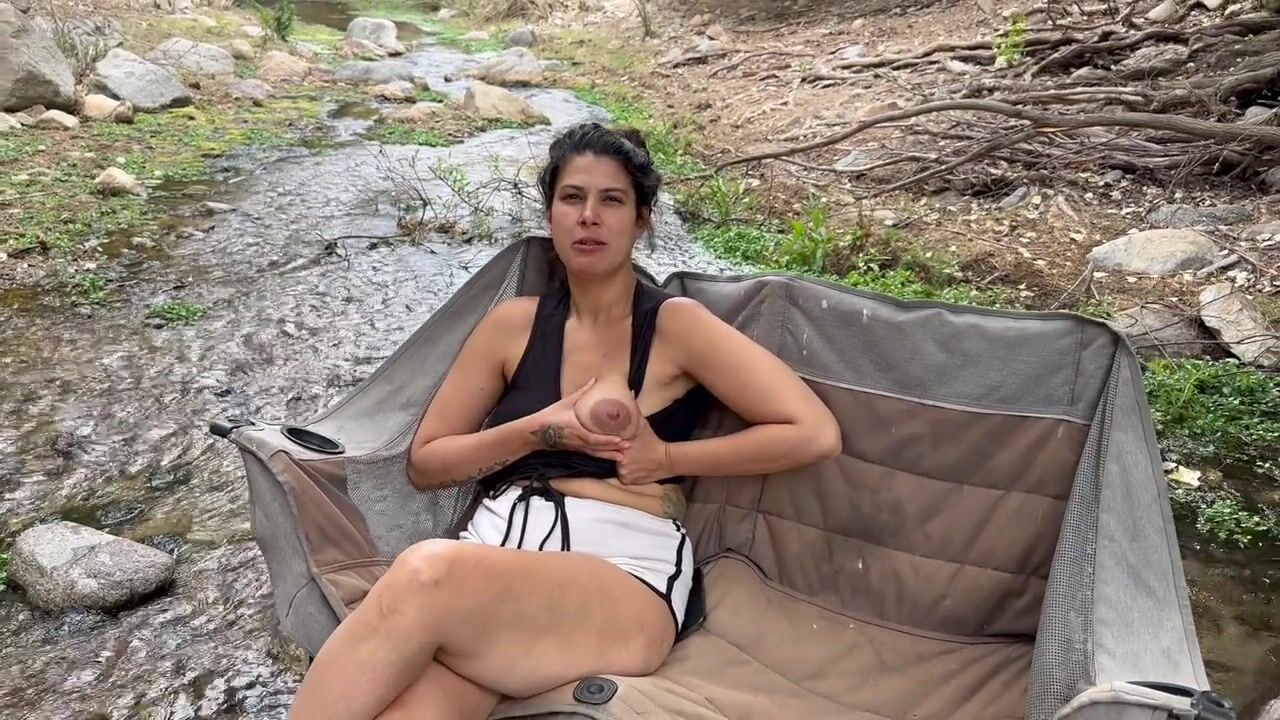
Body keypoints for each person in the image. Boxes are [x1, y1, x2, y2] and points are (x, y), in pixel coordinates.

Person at [286, 122, 843, 720]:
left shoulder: (675, 325)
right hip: (492, 560)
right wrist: (537, 429)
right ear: (550, 214)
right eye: (572, 197)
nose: (589, 217)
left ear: (642, 219)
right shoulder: (512, 326)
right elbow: (427, 465)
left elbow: (812, 433)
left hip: (619, 573)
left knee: (426, 569)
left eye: (612, 201)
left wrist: (667, 459)